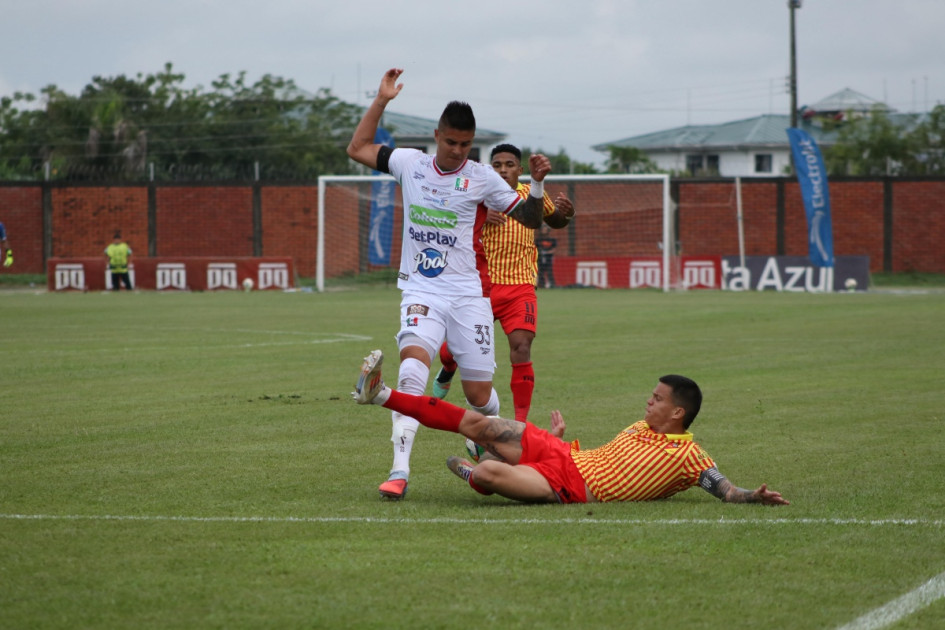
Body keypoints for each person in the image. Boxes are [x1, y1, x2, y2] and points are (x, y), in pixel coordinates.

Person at [346, 68, 551, 500]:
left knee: (479, 395)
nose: (457, 151)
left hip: (469, 296)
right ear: (436, 135)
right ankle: (398, 471)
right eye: (450, 142)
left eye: (465, 144)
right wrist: (382, 100)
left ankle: (485, 436)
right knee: (413, 370)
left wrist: (535, 186)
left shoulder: (481, 176)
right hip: (421, 291)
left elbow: (532, 220)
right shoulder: (409, 164)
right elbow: (358, 147)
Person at [353, 349, 790, 506]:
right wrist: (554, 442)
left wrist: (754, 495)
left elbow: (726, 491)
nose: (648, 401)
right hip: (561, 454)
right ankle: (382, 394)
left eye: (657, 399)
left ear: (678, 413)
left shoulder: (690, 457)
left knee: (487, 472)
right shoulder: (640, 426)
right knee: (476, 424)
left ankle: (480, 473)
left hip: (569, 487)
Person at [432, 144, 575, 423]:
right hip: (480, 288)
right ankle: (447, 367)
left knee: (522, 346)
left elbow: (554, 220)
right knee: (455, 350)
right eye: (497, 165)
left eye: (509, 165)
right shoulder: (477, 195)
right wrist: (482, 218)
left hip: (520, 287)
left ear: (520, 170)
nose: (503, 170)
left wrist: (567, 213)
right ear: (489, 169)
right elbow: (449, 225)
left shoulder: (530, 196)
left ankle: (519, 424)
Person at [535, 225, 557, 289]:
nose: (544, 230)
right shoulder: (538, 240)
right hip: (540, 258)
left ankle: (552, 284)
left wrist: (547, 252)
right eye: (542, 229)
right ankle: (542, 285)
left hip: (548, 259)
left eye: (545, 229)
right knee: (540, 271)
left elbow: (554, 249)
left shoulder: (552, 240)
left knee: (549, 271)